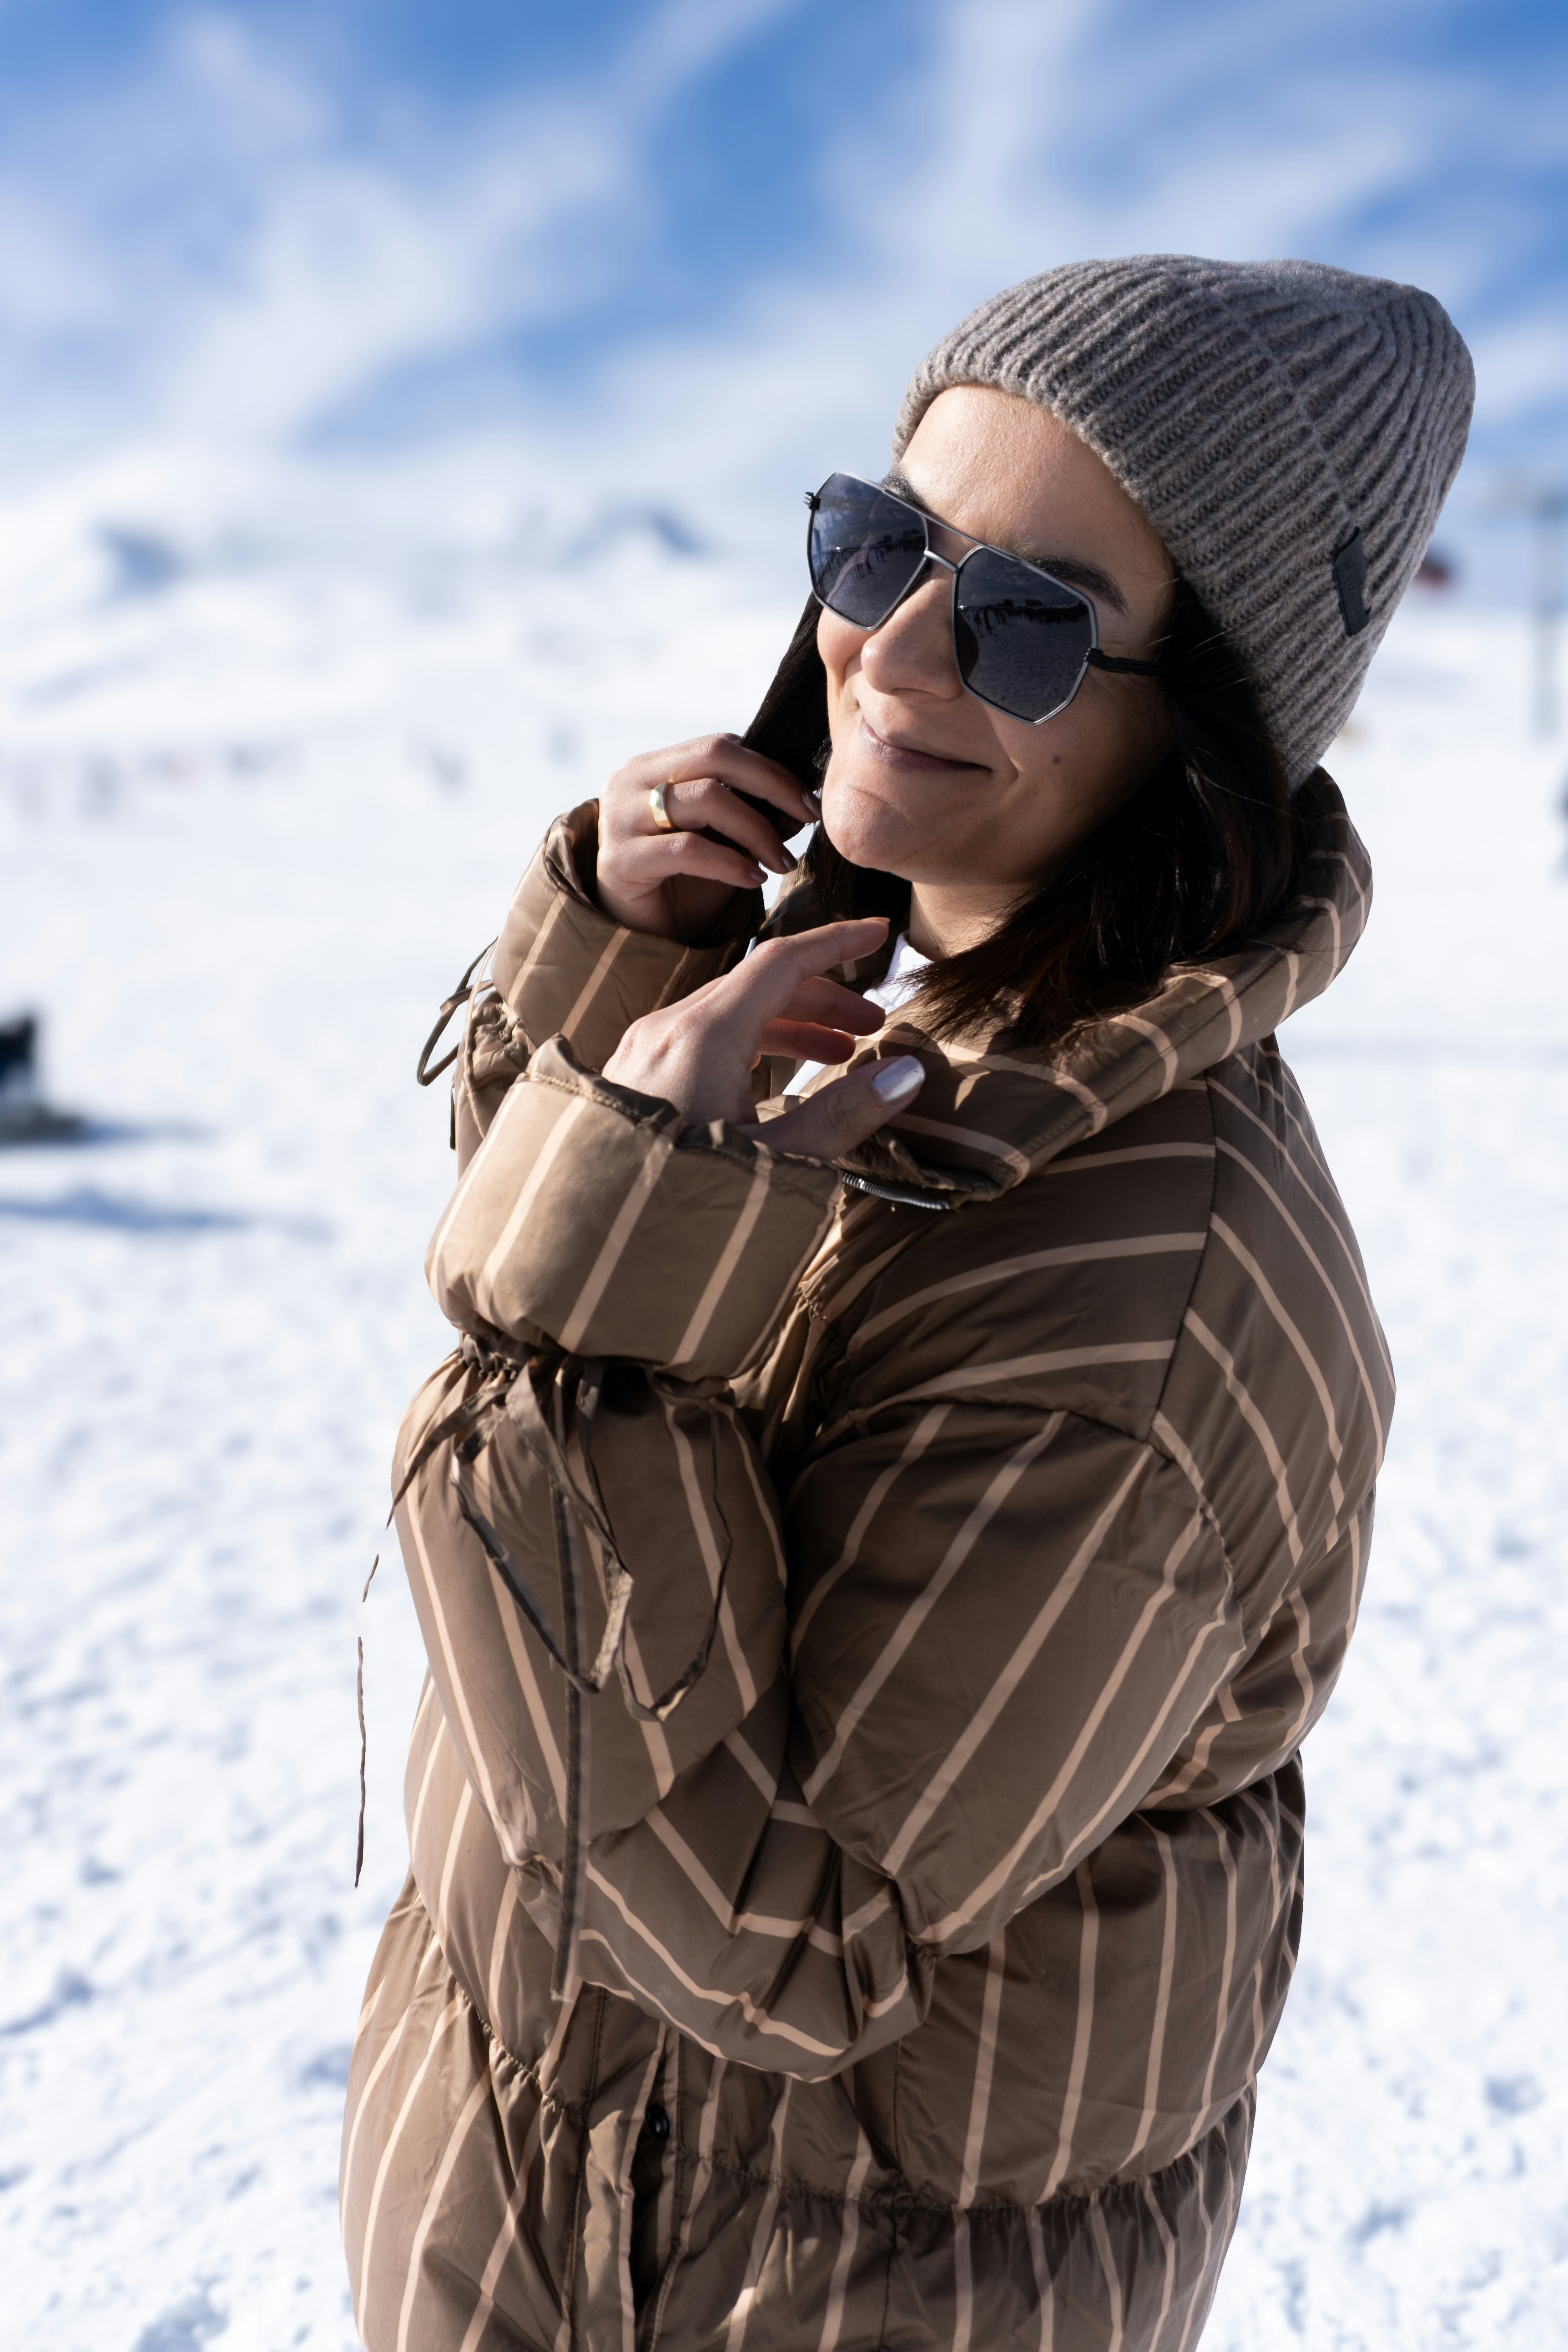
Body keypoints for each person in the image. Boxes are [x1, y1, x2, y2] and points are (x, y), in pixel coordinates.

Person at [341, 257, 1472, 2351]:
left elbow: (770, 1938)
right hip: (549, 2208)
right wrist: (612, 975)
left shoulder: (1140, 1297)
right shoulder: (874, 999)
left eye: (1031, 621)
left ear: (1196, 725)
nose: (897, 651)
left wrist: (576, 1332)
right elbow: (609, 1326)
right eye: (880, 545)